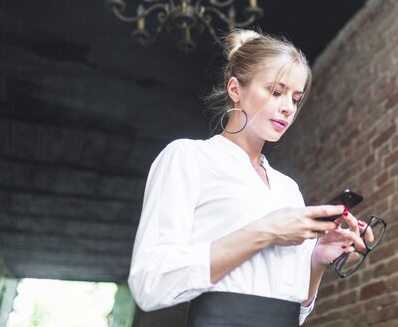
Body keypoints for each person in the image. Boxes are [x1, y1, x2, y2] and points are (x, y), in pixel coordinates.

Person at [128, 29, 371, 327]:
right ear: (235, 89)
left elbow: (296, 309)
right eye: (275, 91)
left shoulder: (288, 189)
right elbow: (149, 284)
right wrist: (266, 232)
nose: (288, 108)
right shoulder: (188, 158)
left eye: (296, 99)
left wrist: (319, 259)